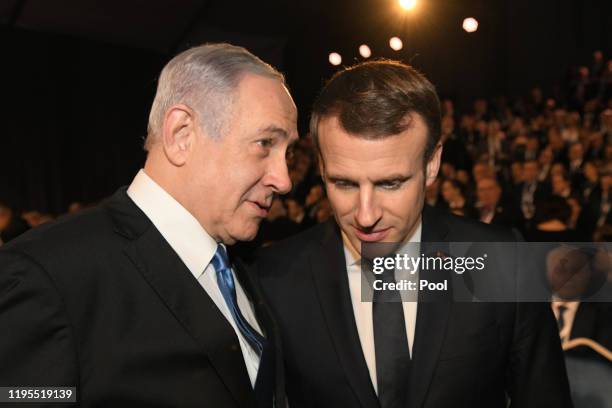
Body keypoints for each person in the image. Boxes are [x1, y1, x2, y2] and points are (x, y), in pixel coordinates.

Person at [255, 60, 572, 407]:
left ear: (432, 163)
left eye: (391, 183)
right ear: (321, 165)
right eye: (343, 183)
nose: (366, 214)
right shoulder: (273, 278)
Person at [0, 43, 298, 407]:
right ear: (181, 134)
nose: (283, 180)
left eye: (288, 153)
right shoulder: (48, 275)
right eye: (265, 143)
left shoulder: (247, 263)